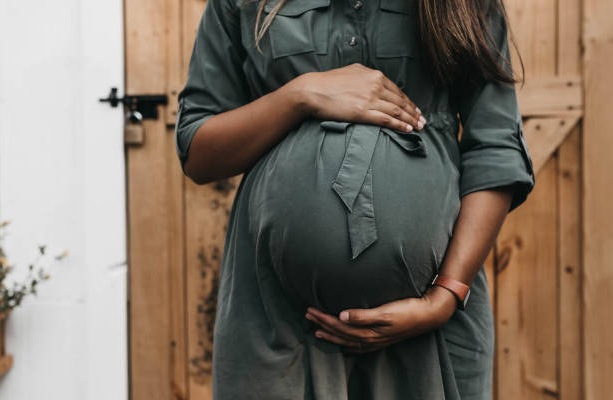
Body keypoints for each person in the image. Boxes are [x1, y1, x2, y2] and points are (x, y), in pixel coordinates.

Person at [175, 0, 535, 398]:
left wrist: (446, 295)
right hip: (279, 329)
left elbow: (496, 148)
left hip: (430, 331)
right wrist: (299, 95)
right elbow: (199, 152)